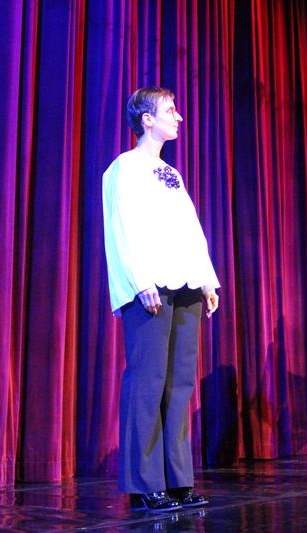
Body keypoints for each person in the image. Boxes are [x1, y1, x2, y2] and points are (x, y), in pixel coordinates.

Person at [102, 86, 220, 511]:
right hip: (150, 286)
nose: (179, 117)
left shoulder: (172, 173)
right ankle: (145, 481)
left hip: (185, 284)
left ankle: (178, 479)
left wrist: (207, 280)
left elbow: (190, 228)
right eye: (170, 110)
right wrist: (140, 280)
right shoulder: (124, 168)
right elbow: (122, 227)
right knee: (147, 380)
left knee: (180, 383)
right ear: (147, 119)